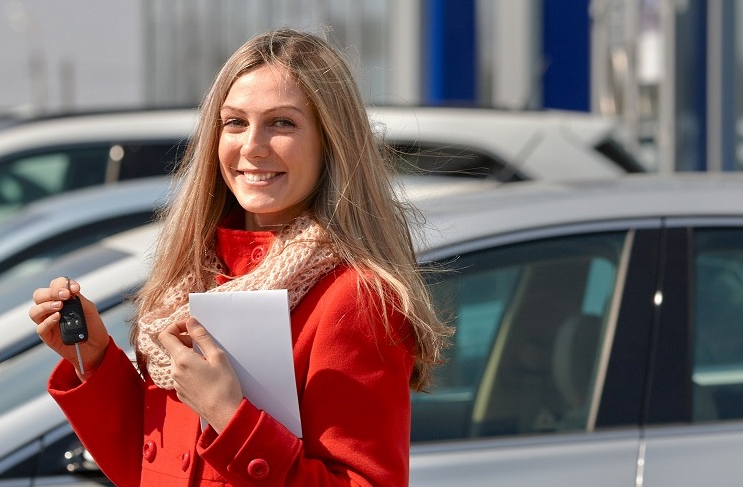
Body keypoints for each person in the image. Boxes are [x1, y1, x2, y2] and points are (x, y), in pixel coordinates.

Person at [29, 28, 449, 486]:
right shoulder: (193, 277)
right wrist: (92, 360)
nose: (252, 146)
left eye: (282, 123)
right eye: (234, 123)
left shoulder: (355, 296)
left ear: (332, 141)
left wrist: (229, 416)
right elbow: (152, 472)